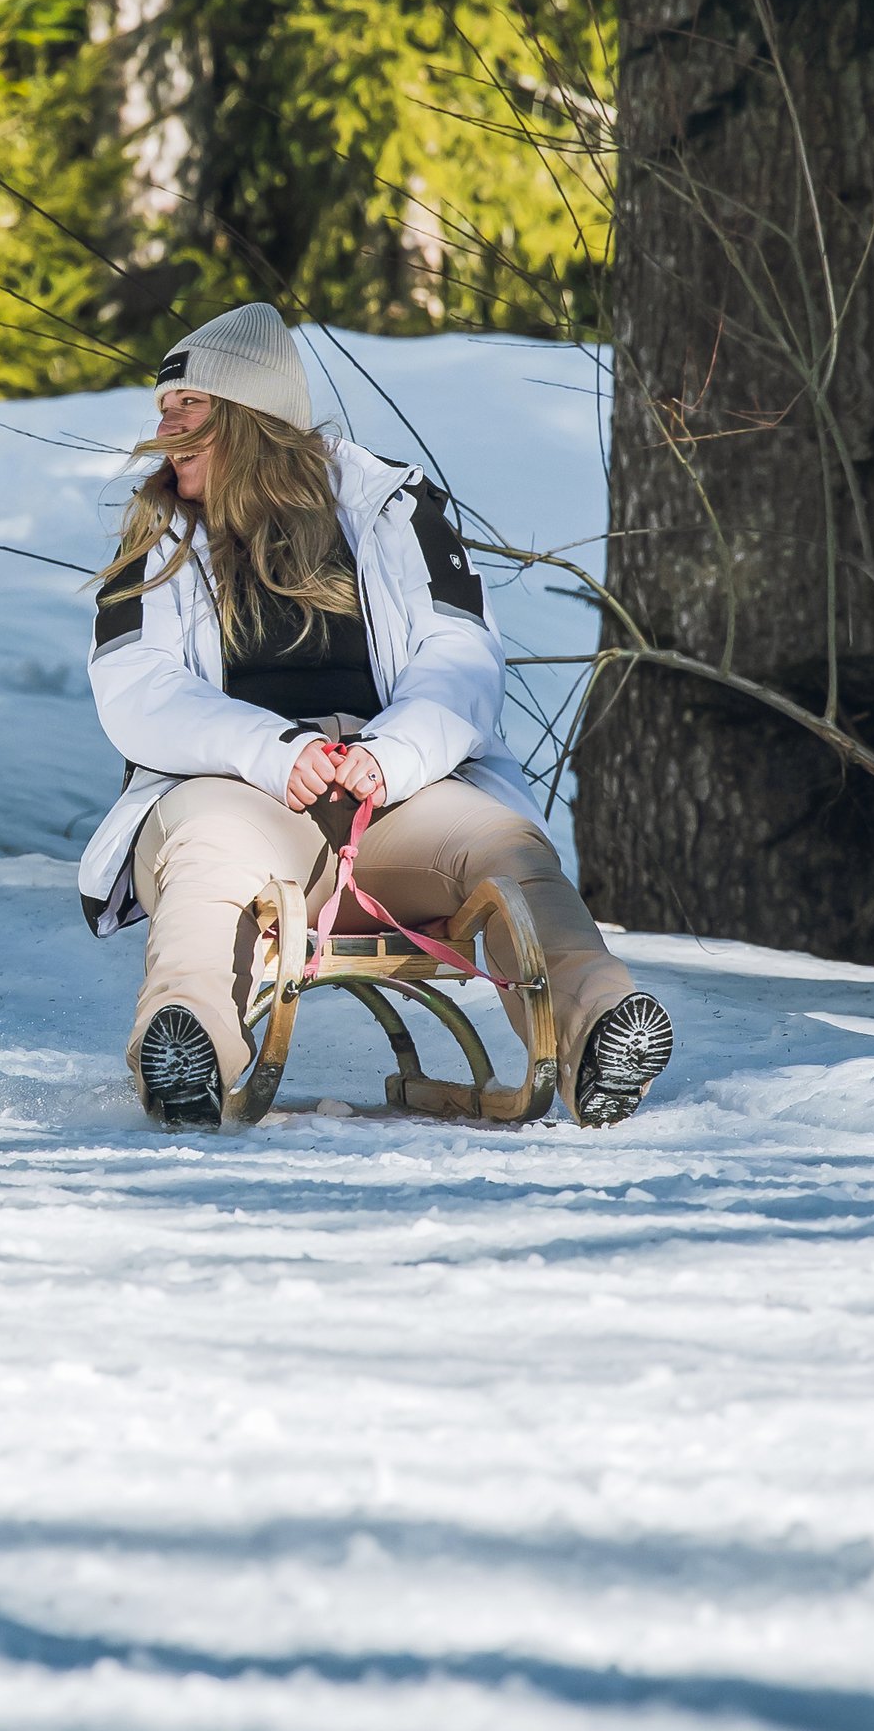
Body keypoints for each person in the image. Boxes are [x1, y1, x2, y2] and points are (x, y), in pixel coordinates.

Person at [79, 303, 672, 1130]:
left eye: (189, 406)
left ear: (251, 416)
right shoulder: (159, 534)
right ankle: (190, 1053)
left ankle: (601, 1026)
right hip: (236, 797)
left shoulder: (397, 507)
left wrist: (389, 755)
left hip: (394, 796)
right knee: (204, 856)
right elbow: (135, 688)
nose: (165, 422)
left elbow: (460, 658)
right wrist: (272, 748)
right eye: (164, 406)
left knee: (504, 850)